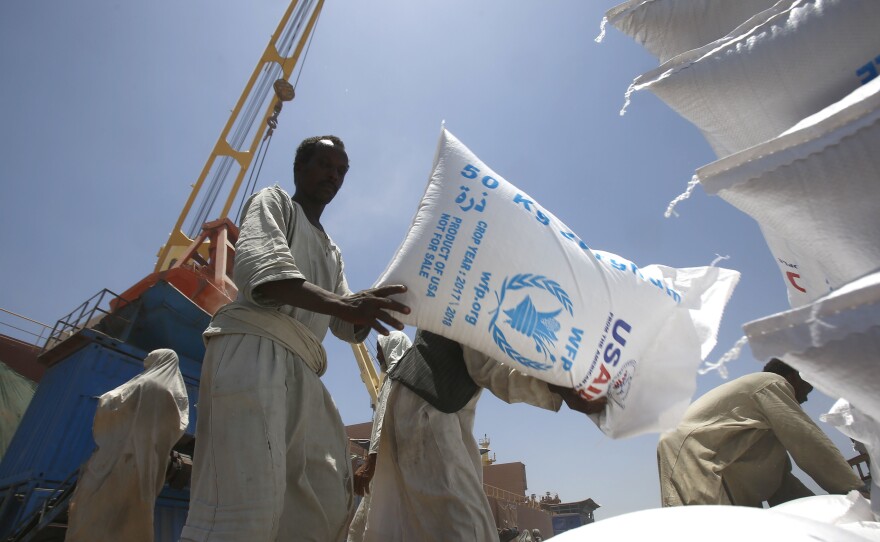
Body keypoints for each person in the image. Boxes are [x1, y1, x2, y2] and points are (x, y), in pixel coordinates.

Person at [180, 136, 409, 542]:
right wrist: (345, 306)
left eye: (341, 171)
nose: (334, 176)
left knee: (325, 496)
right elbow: (262, 272)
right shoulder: (273, 202)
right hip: (254, 348)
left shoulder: (332, 250)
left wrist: (381, 304)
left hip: (302, 366)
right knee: (246, 502)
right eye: (325, 164)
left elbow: (343, 323)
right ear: (300, 168)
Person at [360, 330, 606, 542]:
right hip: (428, 409)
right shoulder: (470, 286)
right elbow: (487, 368)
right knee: (463, 526)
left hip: (423, 407)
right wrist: (557, 386)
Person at [657, 358, 864, 507]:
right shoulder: (772, 383)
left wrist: (822, 510)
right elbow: (807, 442)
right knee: (711, 529)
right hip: (690, 455)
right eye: (806, 390)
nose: (806, 399)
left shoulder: (762, 421)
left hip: (716, 462)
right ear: (794, 376)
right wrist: (855, 491)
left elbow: (779, 479)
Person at [67, 349, 188, 542]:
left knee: (98, 512)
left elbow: (111, 403)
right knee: (132, 515)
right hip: (150, 464)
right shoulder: (175, 395)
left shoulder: (146, 384)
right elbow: (176, 427)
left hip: (123, 458)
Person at [347, 330, 412, 542]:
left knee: (366, 530)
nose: (378, 354)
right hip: (403, 471)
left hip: (386, 471)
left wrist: (369, 465)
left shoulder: (395, 377)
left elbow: (382, 420)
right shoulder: (411, 378)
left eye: (381, 349)